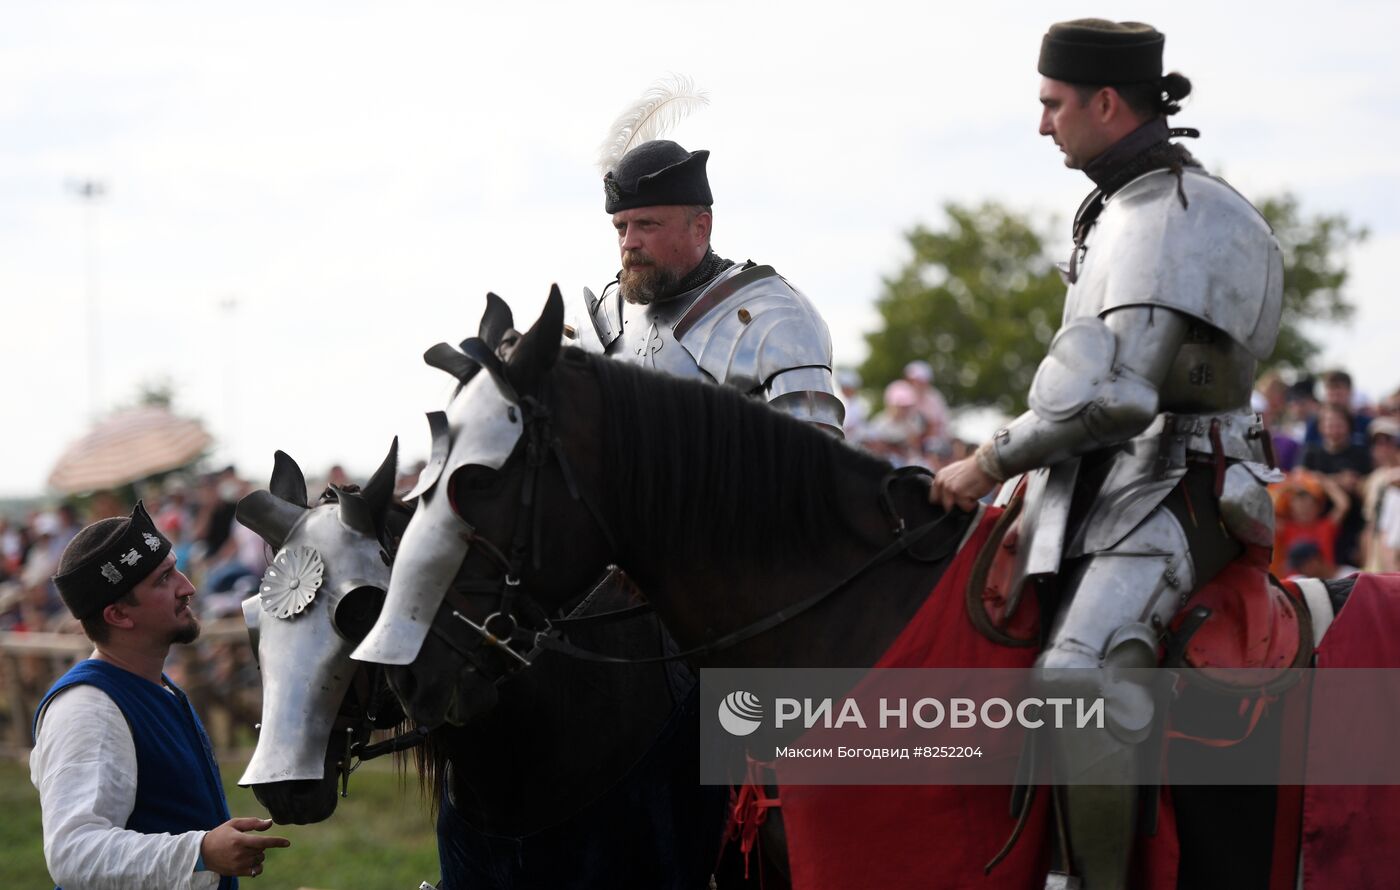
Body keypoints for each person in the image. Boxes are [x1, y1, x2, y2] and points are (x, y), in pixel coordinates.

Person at [931, 19, 1283, 888]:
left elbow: (1117, 396)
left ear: (1106, 102)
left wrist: (987, 463)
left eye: (1052, 105)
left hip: (1181, 480)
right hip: (1106, 483)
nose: (1043, 124)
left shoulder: (1172, 216)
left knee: (1077, 673)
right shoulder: (1125, 208)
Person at [30, 503, 289, 888]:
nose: (188, 587)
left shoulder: (154, 687)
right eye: (164, 578)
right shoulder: (89, 709)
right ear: (118, 615)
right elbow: (74, 852)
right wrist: (200, 851)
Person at [572, 137, 845, 434]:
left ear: (700, 228)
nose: (629, 242)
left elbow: (813, 463)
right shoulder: (601, 322)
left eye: (647, 225)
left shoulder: (773, 318)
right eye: (621, 227)